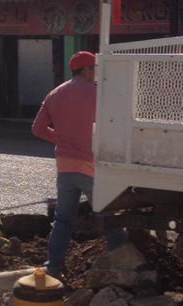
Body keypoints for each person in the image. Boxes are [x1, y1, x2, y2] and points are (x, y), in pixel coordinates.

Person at [31, 50, 125, 280]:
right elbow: (116, 125)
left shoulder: (55, 94)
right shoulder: (97, 93)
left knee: (62, 220)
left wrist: (62, 138)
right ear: (86, 69)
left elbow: (37, 129)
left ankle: (53, 268)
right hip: (91, 167)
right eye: (94, 69)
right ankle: (123, 269)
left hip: (65, 167)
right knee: (110, 218)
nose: (96, 73)